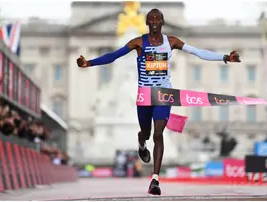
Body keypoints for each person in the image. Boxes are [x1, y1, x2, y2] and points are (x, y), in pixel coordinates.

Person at [76, 8, 241, 195]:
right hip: (145, 94)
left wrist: (225, 57)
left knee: (158, 133)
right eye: (151, 19)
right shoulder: (138, 42)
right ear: (147, 22)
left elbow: (198, 52)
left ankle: (155, 180)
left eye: (158, 19)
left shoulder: (171, 42)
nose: (154, 21)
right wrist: (89, 63)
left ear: (162, 22)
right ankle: (141, 143)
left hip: (163, 94)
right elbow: (113, 56)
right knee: (145, 134)